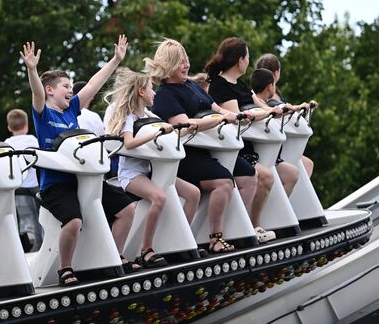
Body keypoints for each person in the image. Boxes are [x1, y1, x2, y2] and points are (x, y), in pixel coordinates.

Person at [20, 35, 139, 286]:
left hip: (86, 180)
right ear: (50, 90)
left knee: (128, 210)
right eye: (65, 85)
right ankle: (65, 268)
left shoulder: (73, 109)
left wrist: (116, 60)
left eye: (71, 85)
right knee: (74, 222)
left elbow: (94, 84)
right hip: (56, 184)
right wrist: (32, 69)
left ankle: (113, 257)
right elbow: (36, 92)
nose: (71, 89)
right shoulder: (44, 113)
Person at [146, 38, 258, 253]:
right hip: (184, 157)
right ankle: (215, 237)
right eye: (180, 62)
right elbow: (183, 126)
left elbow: (216, 107)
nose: (186, 65)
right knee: (224, 182)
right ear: (168, 66)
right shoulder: (164, 95)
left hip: (209, 148)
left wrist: (236, 116)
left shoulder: (190, 85)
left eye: (186, 60)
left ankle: (236, 228)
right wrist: (216, 120)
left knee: (249, 176)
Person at [104, 67, 201, 266]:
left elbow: (167, 133)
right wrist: (157, 134)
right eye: (150, 88)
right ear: (141, 92)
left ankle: (180, 240)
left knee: (193, 193)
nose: (154, 92)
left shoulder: (149, 115)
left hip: (150, 172)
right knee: (159, 197)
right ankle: (146, 249)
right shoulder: (131, 118)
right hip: (131, 175)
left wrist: (186, 128)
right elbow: (129, 143)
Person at [205, 37, 296, 243]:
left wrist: (279, 110)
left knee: (290, 173)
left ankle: (259, 223)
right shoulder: (220, 85)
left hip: (250, 145)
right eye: (247, 57)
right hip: (233, 149)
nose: (248, 61)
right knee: (264, 175)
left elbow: (263, 106)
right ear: (240, 60)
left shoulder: (240, 84)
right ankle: (250, 225)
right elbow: (238, 117)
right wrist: (266, 113)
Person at [255, 53, 315, 177]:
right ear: (276, 73)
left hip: (273, 141)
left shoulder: (260, 93)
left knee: (307, 164)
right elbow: (280, 111)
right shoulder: (269, 96)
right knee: (307, 165)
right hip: (274, 145)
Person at [250, 68, 300, 196]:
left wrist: (298, 107)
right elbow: (272, 112)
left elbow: (278, 111)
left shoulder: (265, 104)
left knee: (292, 173)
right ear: (270, 87)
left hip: (272, 156)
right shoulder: (257, 106)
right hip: (259, 156)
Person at [4, 108, 44, 252]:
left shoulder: (6, 144)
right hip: (36, 185)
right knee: (43, 218)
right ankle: (45, 245)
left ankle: (30, 247)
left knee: (27, 219)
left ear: (9, 127)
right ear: (27, 125)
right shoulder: (33, 140)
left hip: (19, 188)